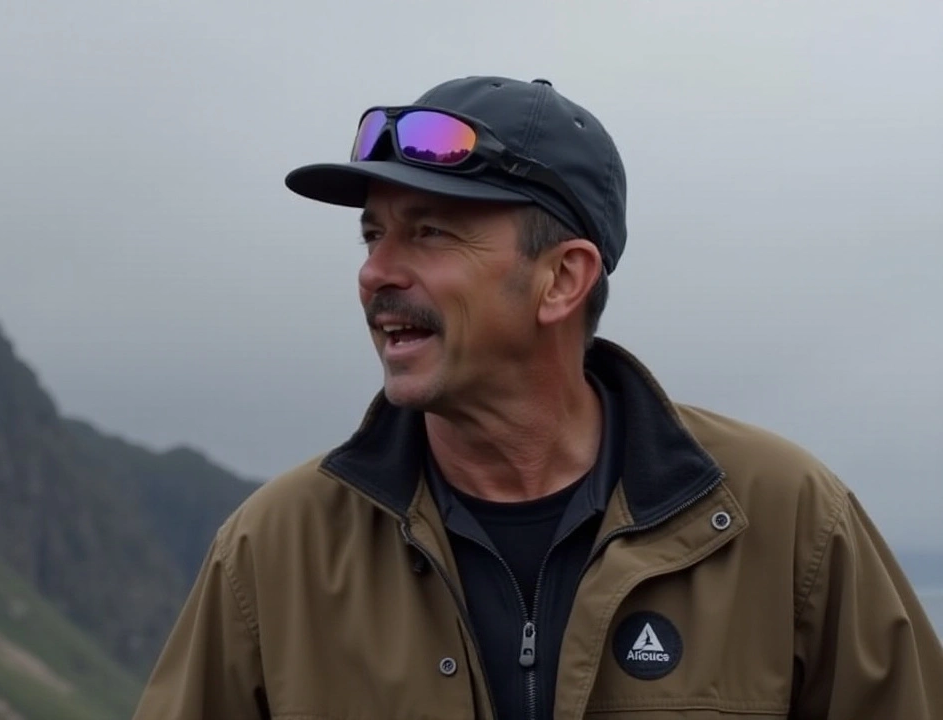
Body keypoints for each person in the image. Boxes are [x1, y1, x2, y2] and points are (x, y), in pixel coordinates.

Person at [131, 75, 943, 720]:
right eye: (373, 233)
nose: (376, 272)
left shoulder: (787, 520)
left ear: (562, 279)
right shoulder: (275, 553)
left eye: (430, 232)